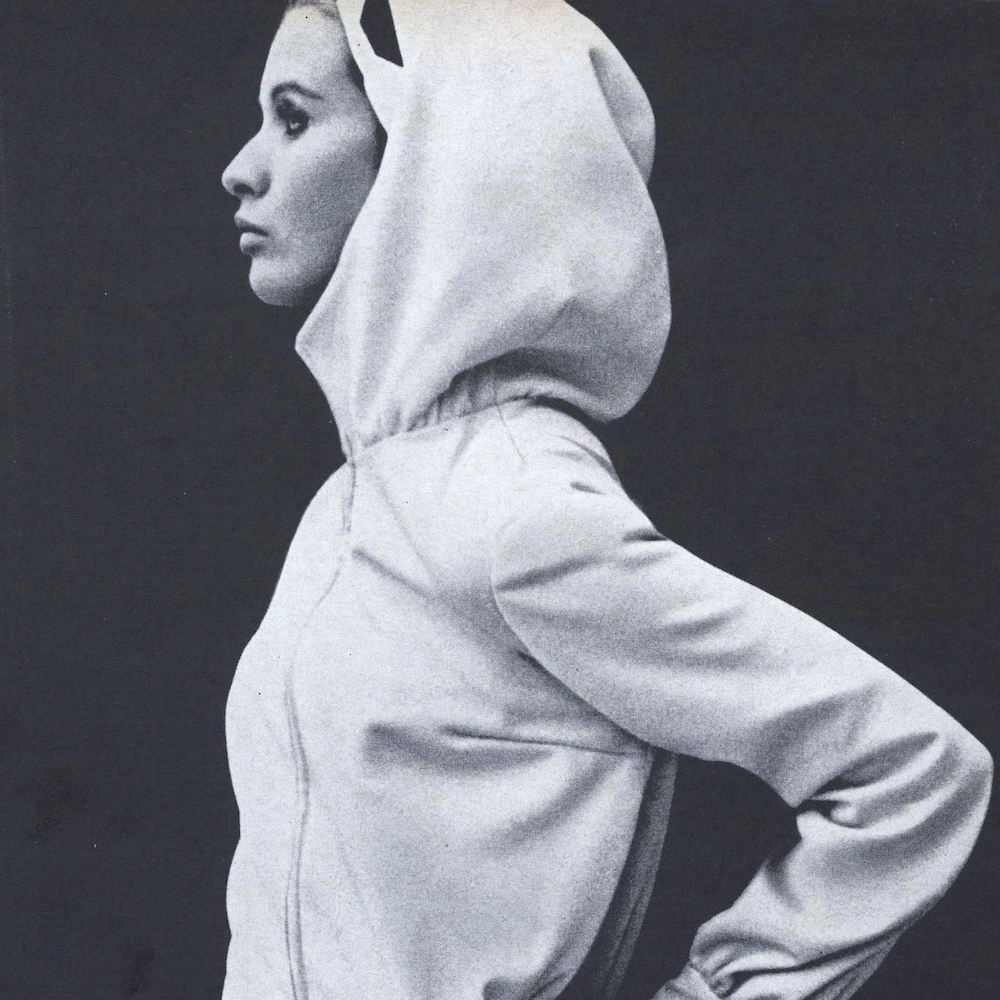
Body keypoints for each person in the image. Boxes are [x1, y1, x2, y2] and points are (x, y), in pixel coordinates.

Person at [219, 2, 992, 999]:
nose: (240, 169)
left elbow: (914, 771)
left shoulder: (515, 508)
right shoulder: (357, 498)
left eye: (294, 118)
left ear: (440, 157)